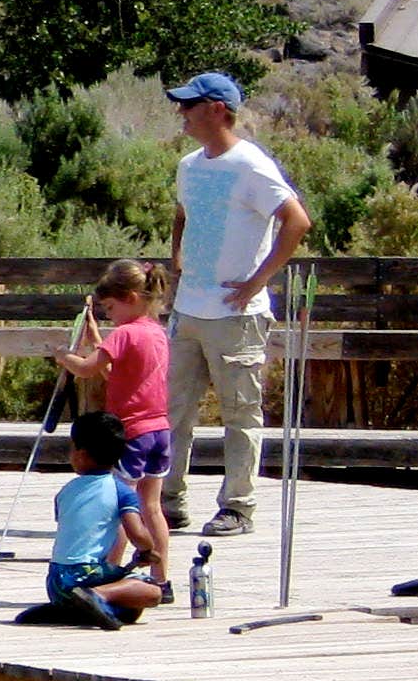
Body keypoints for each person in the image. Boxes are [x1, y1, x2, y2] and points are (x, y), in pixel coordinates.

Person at [163, 71, 308, 537]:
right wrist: (177, 257)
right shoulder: (189, 166)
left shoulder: (251, 165)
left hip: (236, 315)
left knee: (240, 413)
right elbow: (182, 213)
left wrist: (257, 281)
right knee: (173, 410)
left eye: (190, 105)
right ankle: (168, 502)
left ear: (217, 110)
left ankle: (238, 506)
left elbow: (296, 221)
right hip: (189, 309)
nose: (182, 113)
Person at [52, 257, 175, 575]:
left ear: (129, 298)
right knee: (151, 507)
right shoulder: (157, 332)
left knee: (120, 505)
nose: (109, 315)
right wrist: (97, 339)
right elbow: (116, 376)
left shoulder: (124, 333)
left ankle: (109, 571)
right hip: (160, 430)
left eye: (110, 307)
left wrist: (64, 356)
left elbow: (86, 369)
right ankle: (161, 578)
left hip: (131, 432)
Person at [39, 409, 166, 627]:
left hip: (56, 582)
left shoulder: (65, 492)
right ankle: (97, 595)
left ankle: (71, 608)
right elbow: (137, 534)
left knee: (130, 610)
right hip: (86, 575)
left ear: (80, 454)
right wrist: (147, 549)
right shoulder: (120, 490)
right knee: (151, 591)